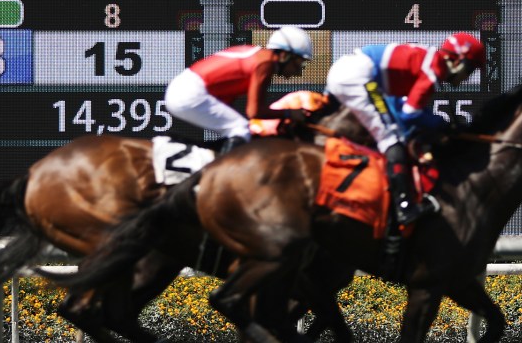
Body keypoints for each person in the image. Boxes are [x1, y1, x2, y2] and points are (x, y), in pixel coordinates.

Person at [325, 33, 486, 228]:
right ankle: (404, 208)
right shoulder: (434, 68)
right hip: (358, 77)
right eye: (471, 70)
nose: (468, 77)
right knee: (392, 140)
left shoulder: (427, 61)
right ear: (460, 62)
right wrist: (443, 125)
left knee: (395, 134)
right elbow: (410, 114)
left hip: (350, 71)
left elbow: (400, 107)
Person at [164, 26, 313, 154]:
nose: (299, 70)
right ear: (284, 55)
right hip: (189, 92)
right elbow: (254, 112)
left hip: (185, 88)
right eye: (298, 62)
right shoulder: (266, 64)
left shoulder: (259, 55)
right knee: (240, 129)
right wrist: (290, 113)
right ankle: (222, 179)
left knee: (236, 130)